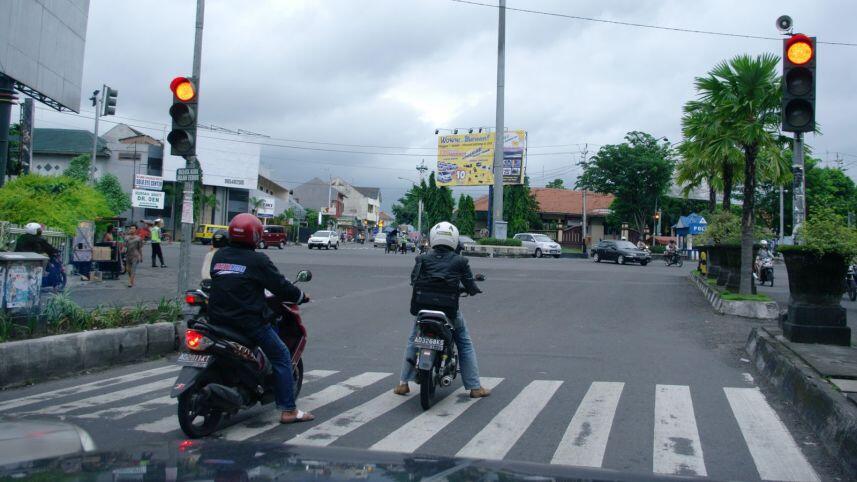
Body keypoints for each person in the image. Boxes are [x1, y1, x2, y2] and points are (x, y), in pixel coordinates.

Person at [208, 213, 315, 424]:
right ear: (256, 236)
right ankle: (288, 410)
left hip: (217, 321)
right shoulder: (257, 260)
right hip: (248, 323)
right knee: (282, 356)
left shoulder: (219, 256)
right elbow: (280, 286)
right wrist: (301, 296)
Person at [394, 221, 491, 399]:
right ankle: (475, 387)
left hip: (423, 310)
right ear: (454, 239)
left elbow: (413, 280)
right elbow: (470, 285)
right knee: (464, 342)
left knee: (412, 340)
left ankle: (402, 383)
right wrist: (473, 289)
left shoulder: (422, 258)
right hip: (448, 311)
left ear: (432, 238)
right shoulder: (461, 261)